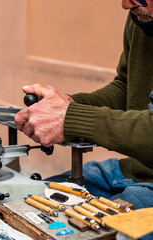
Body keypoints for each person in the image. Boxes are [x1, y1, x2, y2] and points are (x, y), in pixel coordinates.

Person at [15, 0, 153, 209]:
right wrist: (66, 106)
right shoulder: (142, 16)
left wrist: (71, 119)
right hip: (134, 170)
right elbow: (127, 89)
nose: (126, 4)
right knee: (30, 203)